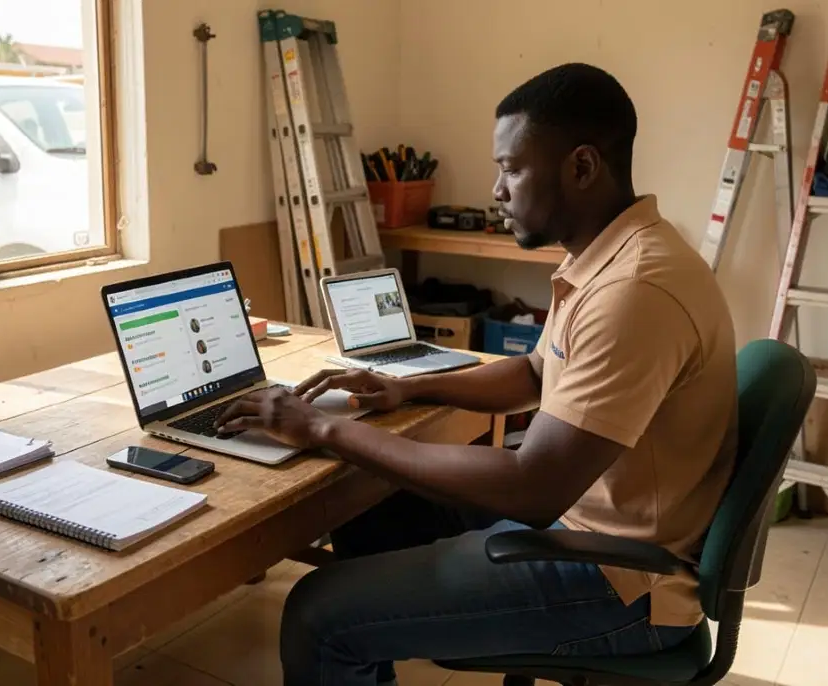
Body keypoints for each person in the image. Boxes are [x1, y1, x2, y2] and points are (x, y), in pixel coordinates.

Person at [215, 62, 737, 686]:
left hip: (621, 580)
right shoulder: (616, 257)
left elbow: (532, 487)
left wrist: (324, 432)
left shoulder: (633, 290)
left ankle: (352, 638)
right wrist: (409, 387)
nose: (496, 190)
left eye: (512, 168)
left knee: (314, 613)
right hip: (596, 530)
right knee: (373, 509)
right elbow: (536, 374)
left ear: (581, 167)